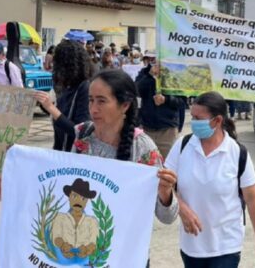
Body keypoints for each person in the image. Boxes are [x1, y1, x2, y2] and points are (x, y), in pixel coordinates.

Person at [63, 69, 178, 265]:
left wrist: (165, 192)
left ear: (124, 105)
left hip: (125, 255)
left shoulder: (143, 148)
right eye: (91, 100)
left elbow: (167, 217)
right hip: (83, 253)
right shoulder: (81, 133)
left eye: (101, 101)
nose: (93, 108)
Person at [166, 91, 255, 267]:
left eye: (199, 118)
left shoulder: (237, 152)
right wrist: (181, 208)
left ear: (218, 121)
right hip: (192, 245)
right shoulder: (183, 146)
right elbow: (165, 185)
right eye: (193, 116)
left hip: (226, 245)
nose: (194, 122)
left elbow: (252, 198)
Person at [34, 40, 92, 151]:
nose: (52, 66)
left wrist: (51, 108)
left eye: (56, 63)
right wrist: (45, 105)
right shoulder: (67, 86)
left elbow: (79, 132)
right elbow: (61, 114)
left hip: (73, 156)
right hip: (60, 151)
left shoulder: (85, 88)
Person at [136, 58, 185, 158]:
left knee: (166, 164)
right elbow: (137, 90)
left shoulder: (174, 74)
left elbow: (181, 102)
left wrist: (166, 99)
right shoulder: (144, 73)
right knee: (146, 163)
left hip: (167, 130)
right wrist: (149, 75)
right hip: (147, 128)